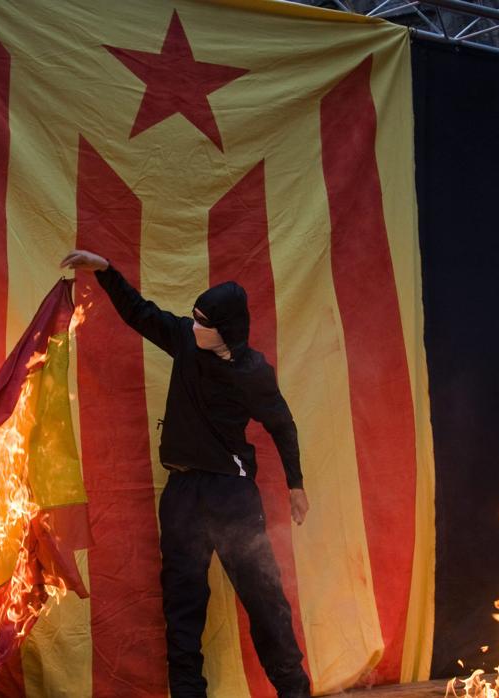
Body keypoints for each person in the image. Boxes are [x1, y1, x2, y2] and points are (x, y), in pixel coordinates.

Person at [61, 249, 312, 698]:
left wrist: (295, 484)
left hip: (231, 496)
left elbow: (282, 424)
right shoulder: (183, 340)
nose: (192, 325)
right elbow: (140, 313)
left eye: (203, 322)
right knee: (182, 605)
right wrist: (105, 271)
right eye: (193, 318)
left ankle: (294, 691)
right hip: (182, 495)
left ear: (226, 332)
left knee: (265, 601)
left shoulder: (253, 372)